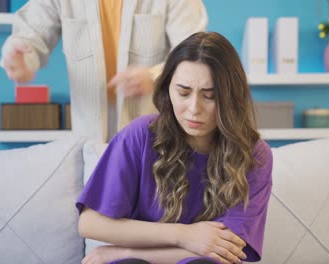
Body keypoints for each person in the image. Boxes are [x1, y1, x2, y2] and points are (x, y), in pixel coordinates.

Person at [76, 32, 273, 264]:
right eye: (183, 92)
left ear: (231, 97)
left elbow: (230, 253)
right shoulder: (141, 135)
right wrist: (184, 235)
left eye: (210, 96)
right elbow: (89, 223)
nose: (193, 109)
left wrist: (124, 251)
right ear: (167, 89)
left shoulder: (254, 154)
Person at [0, 0, 208, 142]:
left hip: (156, 143)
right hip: (88, 145)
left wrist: (155, 77)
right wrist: (20, 58)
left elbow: (194, 52)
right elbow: (29, 36)